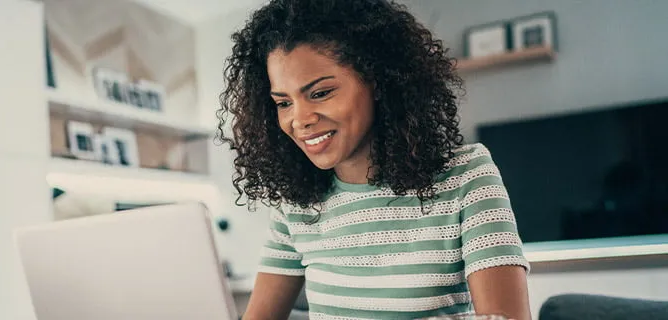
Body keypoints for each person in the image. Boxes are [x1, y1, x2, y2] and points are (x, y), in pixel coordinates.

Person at [216, 0, 532, 319]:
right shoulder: (295, 205)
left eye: (321, 93)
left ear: (377, 82)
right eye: (283, 103)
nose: (299, 120)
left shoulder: (466, 176)